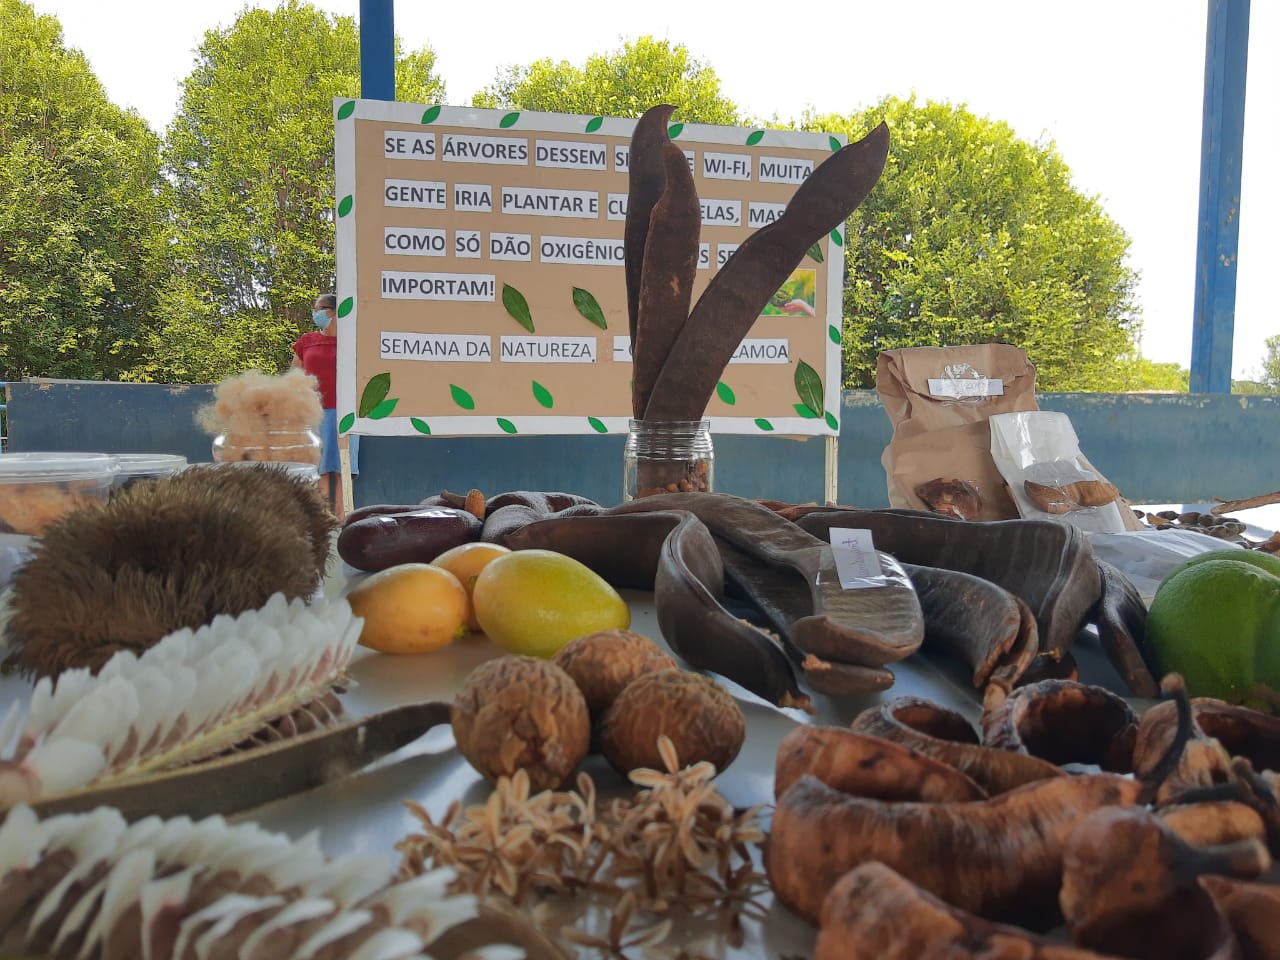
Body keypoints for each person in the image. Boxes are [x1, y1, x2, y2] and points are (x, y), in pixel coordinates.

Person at [292, 293, 359, 519]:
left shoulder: (352, 341)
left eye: (318, 308)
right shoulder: (306, 341)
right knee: (319, 468)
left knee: (344, 469)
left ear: (332, 311)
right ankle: (321, 519)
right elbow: (294, 375)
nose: (315, 313)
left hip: (347, 414)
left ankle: (344, 518)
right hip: (314, 414)